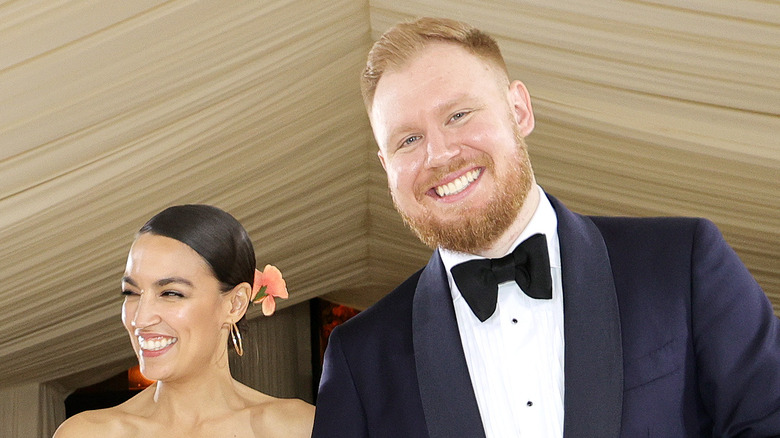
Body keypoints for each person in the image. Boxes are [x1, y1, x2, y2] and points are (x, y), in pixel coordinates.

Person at [312, 17, 780, 437]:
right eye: (408, 140)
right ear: (385, 167)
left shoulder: (683, 263)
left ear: (519, 111)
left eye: (458, 115)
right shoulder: (359, 359)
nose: (439, 155)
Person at [54, 205, 314, 438]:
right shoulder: (88, 433)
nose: (140, 319)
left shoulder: (301, 428)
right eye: (131, 293)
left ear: (235, 304)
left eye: (171, 293)